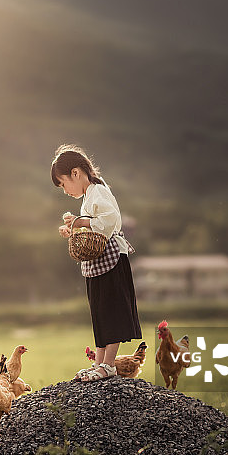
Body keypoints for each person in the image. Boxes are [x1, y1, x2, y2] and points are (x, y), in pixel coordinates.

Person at [51, 145, 142, 381]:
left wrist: (80, 223)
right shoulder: (89, 194)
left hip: (112, 260)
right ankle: (99, 363)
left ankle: (108, 365)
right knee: (100, 311)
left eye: (63, 184)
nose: (65, 191)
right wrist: (75, 225)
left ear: (75, 173)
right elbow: (92, 223)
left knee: (111, 311)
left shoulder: (98, 190)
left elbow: (110, 221)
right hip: (99, 262)